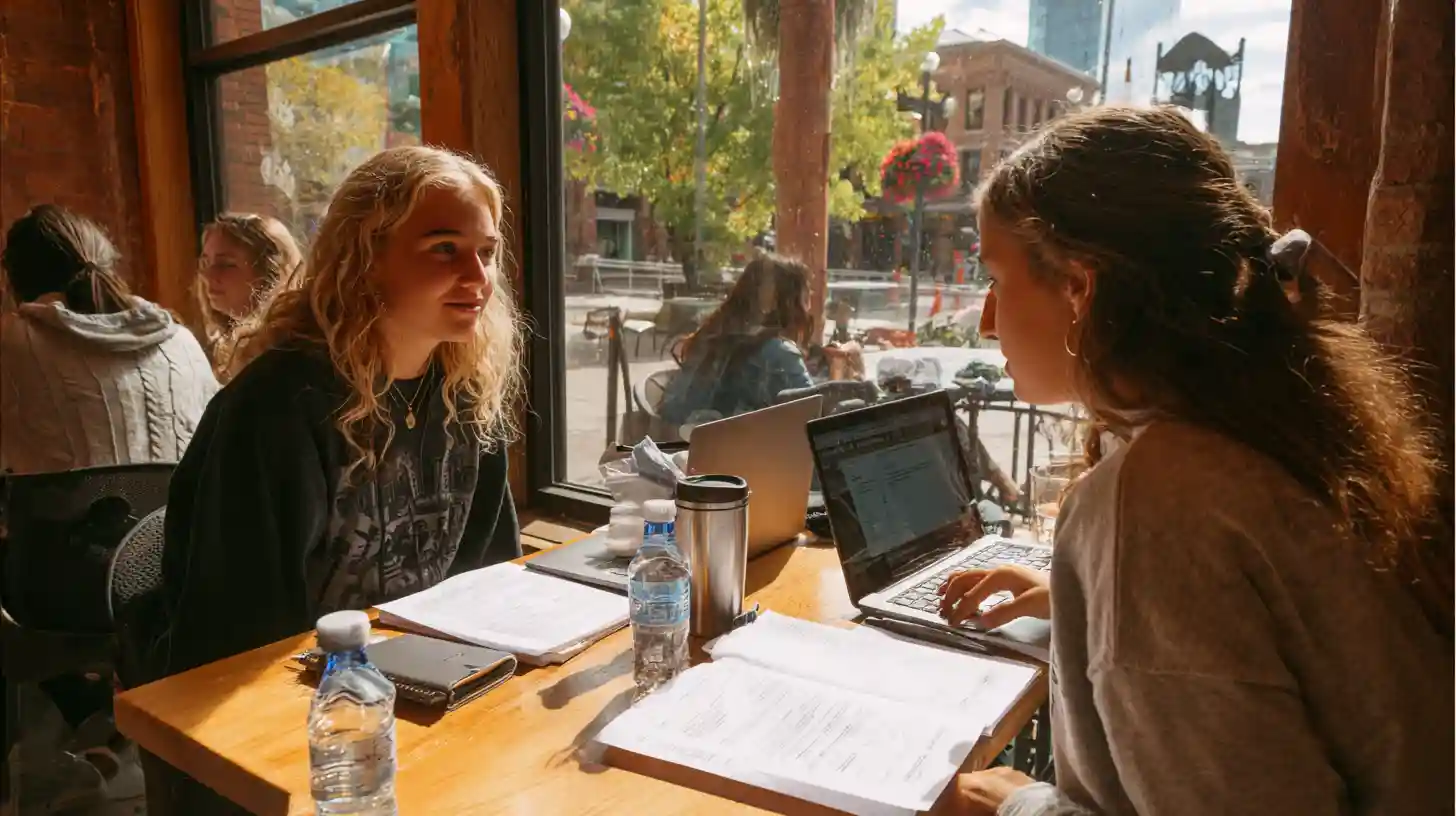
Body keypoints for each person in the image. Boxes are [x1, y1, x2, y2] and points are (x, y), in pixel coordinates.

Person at [938, 107, 1452, 815]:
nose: (987, 320)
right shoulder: (1266, 425)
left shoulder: (1159, 506)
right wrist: (1081, 607)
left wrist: (1016, 805)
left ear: (1080, 288)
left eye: (996, 278)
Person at [159, 145, 524, 679]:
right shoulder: (276, 407)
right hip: (307, 695)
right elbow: (236, 642)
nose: (478, 276)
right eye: (444, 249)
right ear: (365, 258)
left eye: (486, 252)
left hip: (426, 677)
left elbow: (491, 577)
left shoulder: (464, 391)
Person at [0, 204, 217, 475]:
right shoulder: (183, 342)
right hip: (184, 505)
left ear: (12, 283)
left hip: (54, 505)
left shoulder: (11, 342)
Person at [660, 253, 815, 428]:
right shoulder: (780, 353)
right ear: (788, 303)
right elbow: (815, 418)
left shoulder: (713, 334)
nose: (809, 307)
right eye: (806, 297)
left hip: (679, 438)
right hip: (731, 444)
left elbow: (675, 408)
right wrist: (837, 371)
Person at [194, 212, 303, 371]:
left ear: (271, 274)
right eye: (205, 262)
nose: (207, 275)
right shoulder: (218, 345)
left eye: (226, 264)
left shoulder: (284, 354)